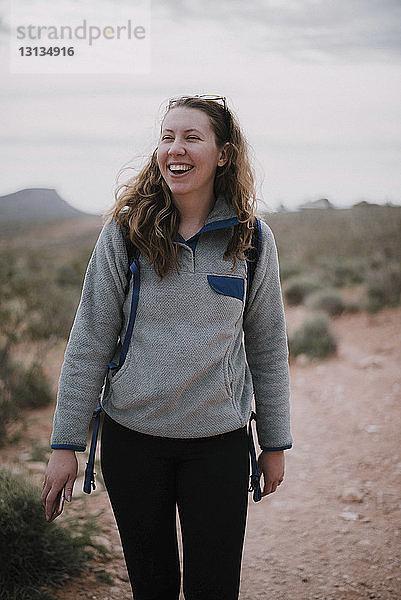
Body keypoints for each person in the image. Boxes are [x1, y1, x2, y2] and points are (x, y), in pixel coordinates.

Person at [41, 94, 292, 600]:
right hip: (133, 443)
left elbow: (267, 348)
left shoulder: (251, 241)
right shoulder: (125, 234)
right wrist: (65, 443)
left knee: (214, 587)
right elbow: (89, 341)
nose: (175, 148)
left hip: (218, 445)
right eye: (167, 136)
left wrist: (275, 442)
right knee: (151, 587)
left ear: (223, 153)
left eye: (192, 137)